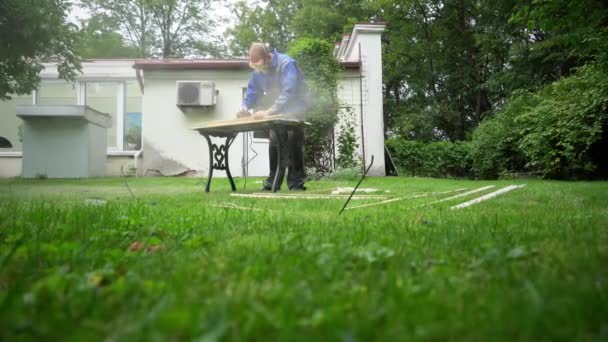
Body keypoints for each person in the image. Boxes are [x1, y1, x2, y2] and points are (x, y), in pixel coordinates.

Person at [237, 43, 309, 191]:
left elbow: (289, 92)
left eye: (261, 66)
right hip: (276, 109)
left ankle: (296, 184)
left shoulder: (287, 64)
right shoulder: (259, 70)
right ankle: (273, 183)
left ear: (268, 57)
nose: (260, 71)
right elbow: (252, 92)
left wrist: (269, 111)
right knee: (275, 143)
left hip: (296, 106)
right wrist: (244, 108)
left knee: (293, 142)